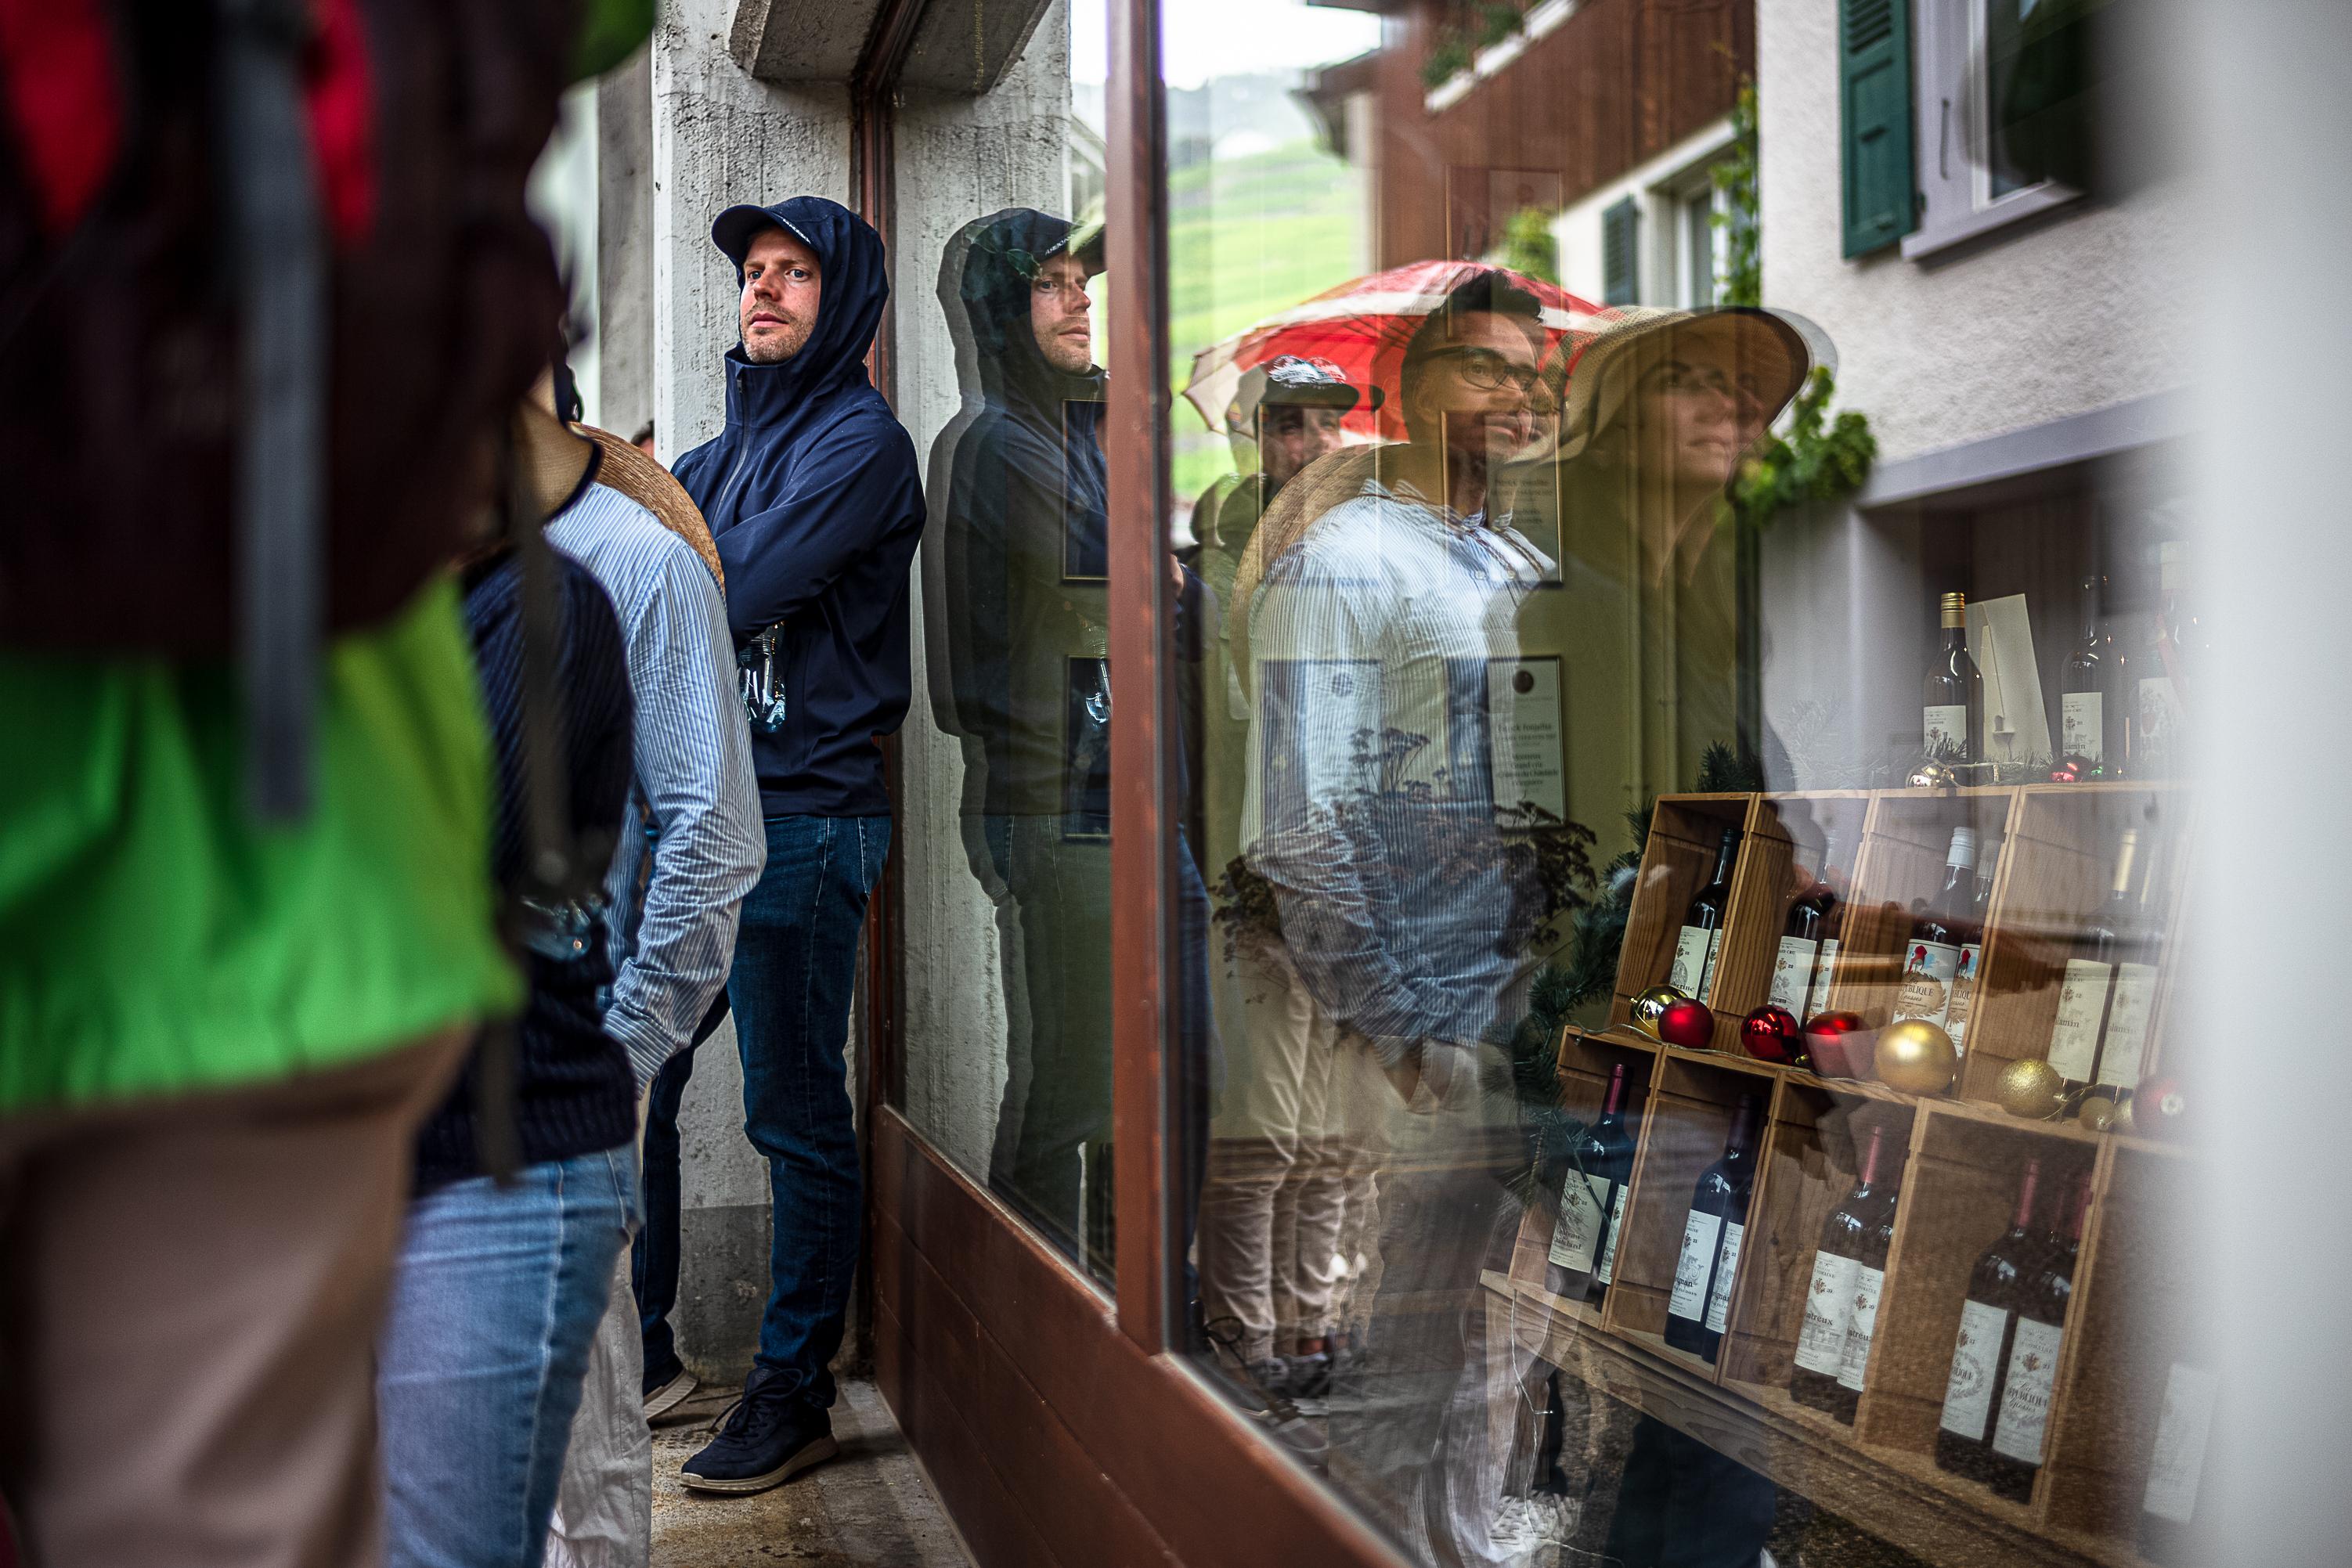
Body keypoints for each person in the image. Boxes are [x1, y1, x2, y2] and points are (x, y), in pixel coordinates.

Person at [1232, 271, 1561, 1565]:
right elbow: (1299, 825)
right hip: (1421, 1018)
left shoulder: (1521, 564)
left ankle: (1463, 1552)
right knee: (1405, 1343)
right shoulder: (1341, 565)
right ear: (1410, 395)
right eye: (1485, 366)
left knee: (1499, 1342)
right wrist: (1400, 1024)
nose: (1517, 393)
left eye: (1531, 371)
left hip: (1519, 1002)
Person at [663, 195, 925, 1497]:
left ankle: (794, 1389)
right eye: (754, 271)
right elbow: (637, 601)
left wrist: (685, 561)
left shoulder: (863, 445)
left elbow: (730, 591)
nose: (763, 289)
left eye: (795, 273)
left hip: (809, 821)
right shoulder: (710, 461)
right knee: (637, 1066)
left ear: (848, 299)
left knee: (794, 1112)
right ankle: (646, 1348)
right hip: (706, 820)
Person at [927, 207, 1217, 1274]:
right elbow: (1121, 584)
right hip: (1060, 807)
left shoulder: (1079, 436)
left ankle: (1138, 1294)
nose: (1078, 300)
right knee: (1076, 1091)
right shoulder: (1000, 446)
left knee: (1183, 1073)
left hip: (1138, 803)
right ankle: (1031, 1322)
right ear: (1003, 310)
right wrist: (1159, 569)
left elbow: (1174, 600)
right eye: (1050, 284)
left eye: (1080, 282)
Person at [374, 401, 640, 1568]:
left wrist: (643, 1042)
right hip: (351, 1159)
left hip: (497, 1156)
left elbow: (435, 871)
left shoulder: (542, 609)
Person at [539, 384, 765, 1566]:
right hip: (393, 1086)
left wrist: (620, 1054)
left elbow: (714, 841)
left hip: (559, 1082)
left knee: (575, 1461)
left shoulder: (637, 563)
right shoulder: (384, 563)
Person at [1192, 356, 1380, 1398]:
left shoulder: (1356, 554)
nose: (1308, 443)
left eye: (1323, 424)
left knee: (1335, 1136)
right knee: (1266, 1129)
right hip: (1265, 876)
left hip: (1358, 877)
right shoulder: (1228, 556)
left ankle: (1315, 1325)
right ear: (1251, 437)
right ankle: (1245, 1332)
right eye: (1285, 424)